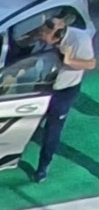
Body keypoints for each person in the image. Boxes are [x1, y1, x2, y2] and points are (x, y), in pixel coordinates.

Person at [29, 12, 95, 183]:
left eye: (45, 35)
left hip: (64, 90)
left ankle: (43, 166)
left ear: (57, 35)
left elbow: (91, 63)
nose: (41, 37)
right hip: (43, 84)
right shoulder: (45, 39)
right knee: (29, 119)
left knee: (52, 130)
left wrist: (69, 60)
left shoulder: (80, 40)